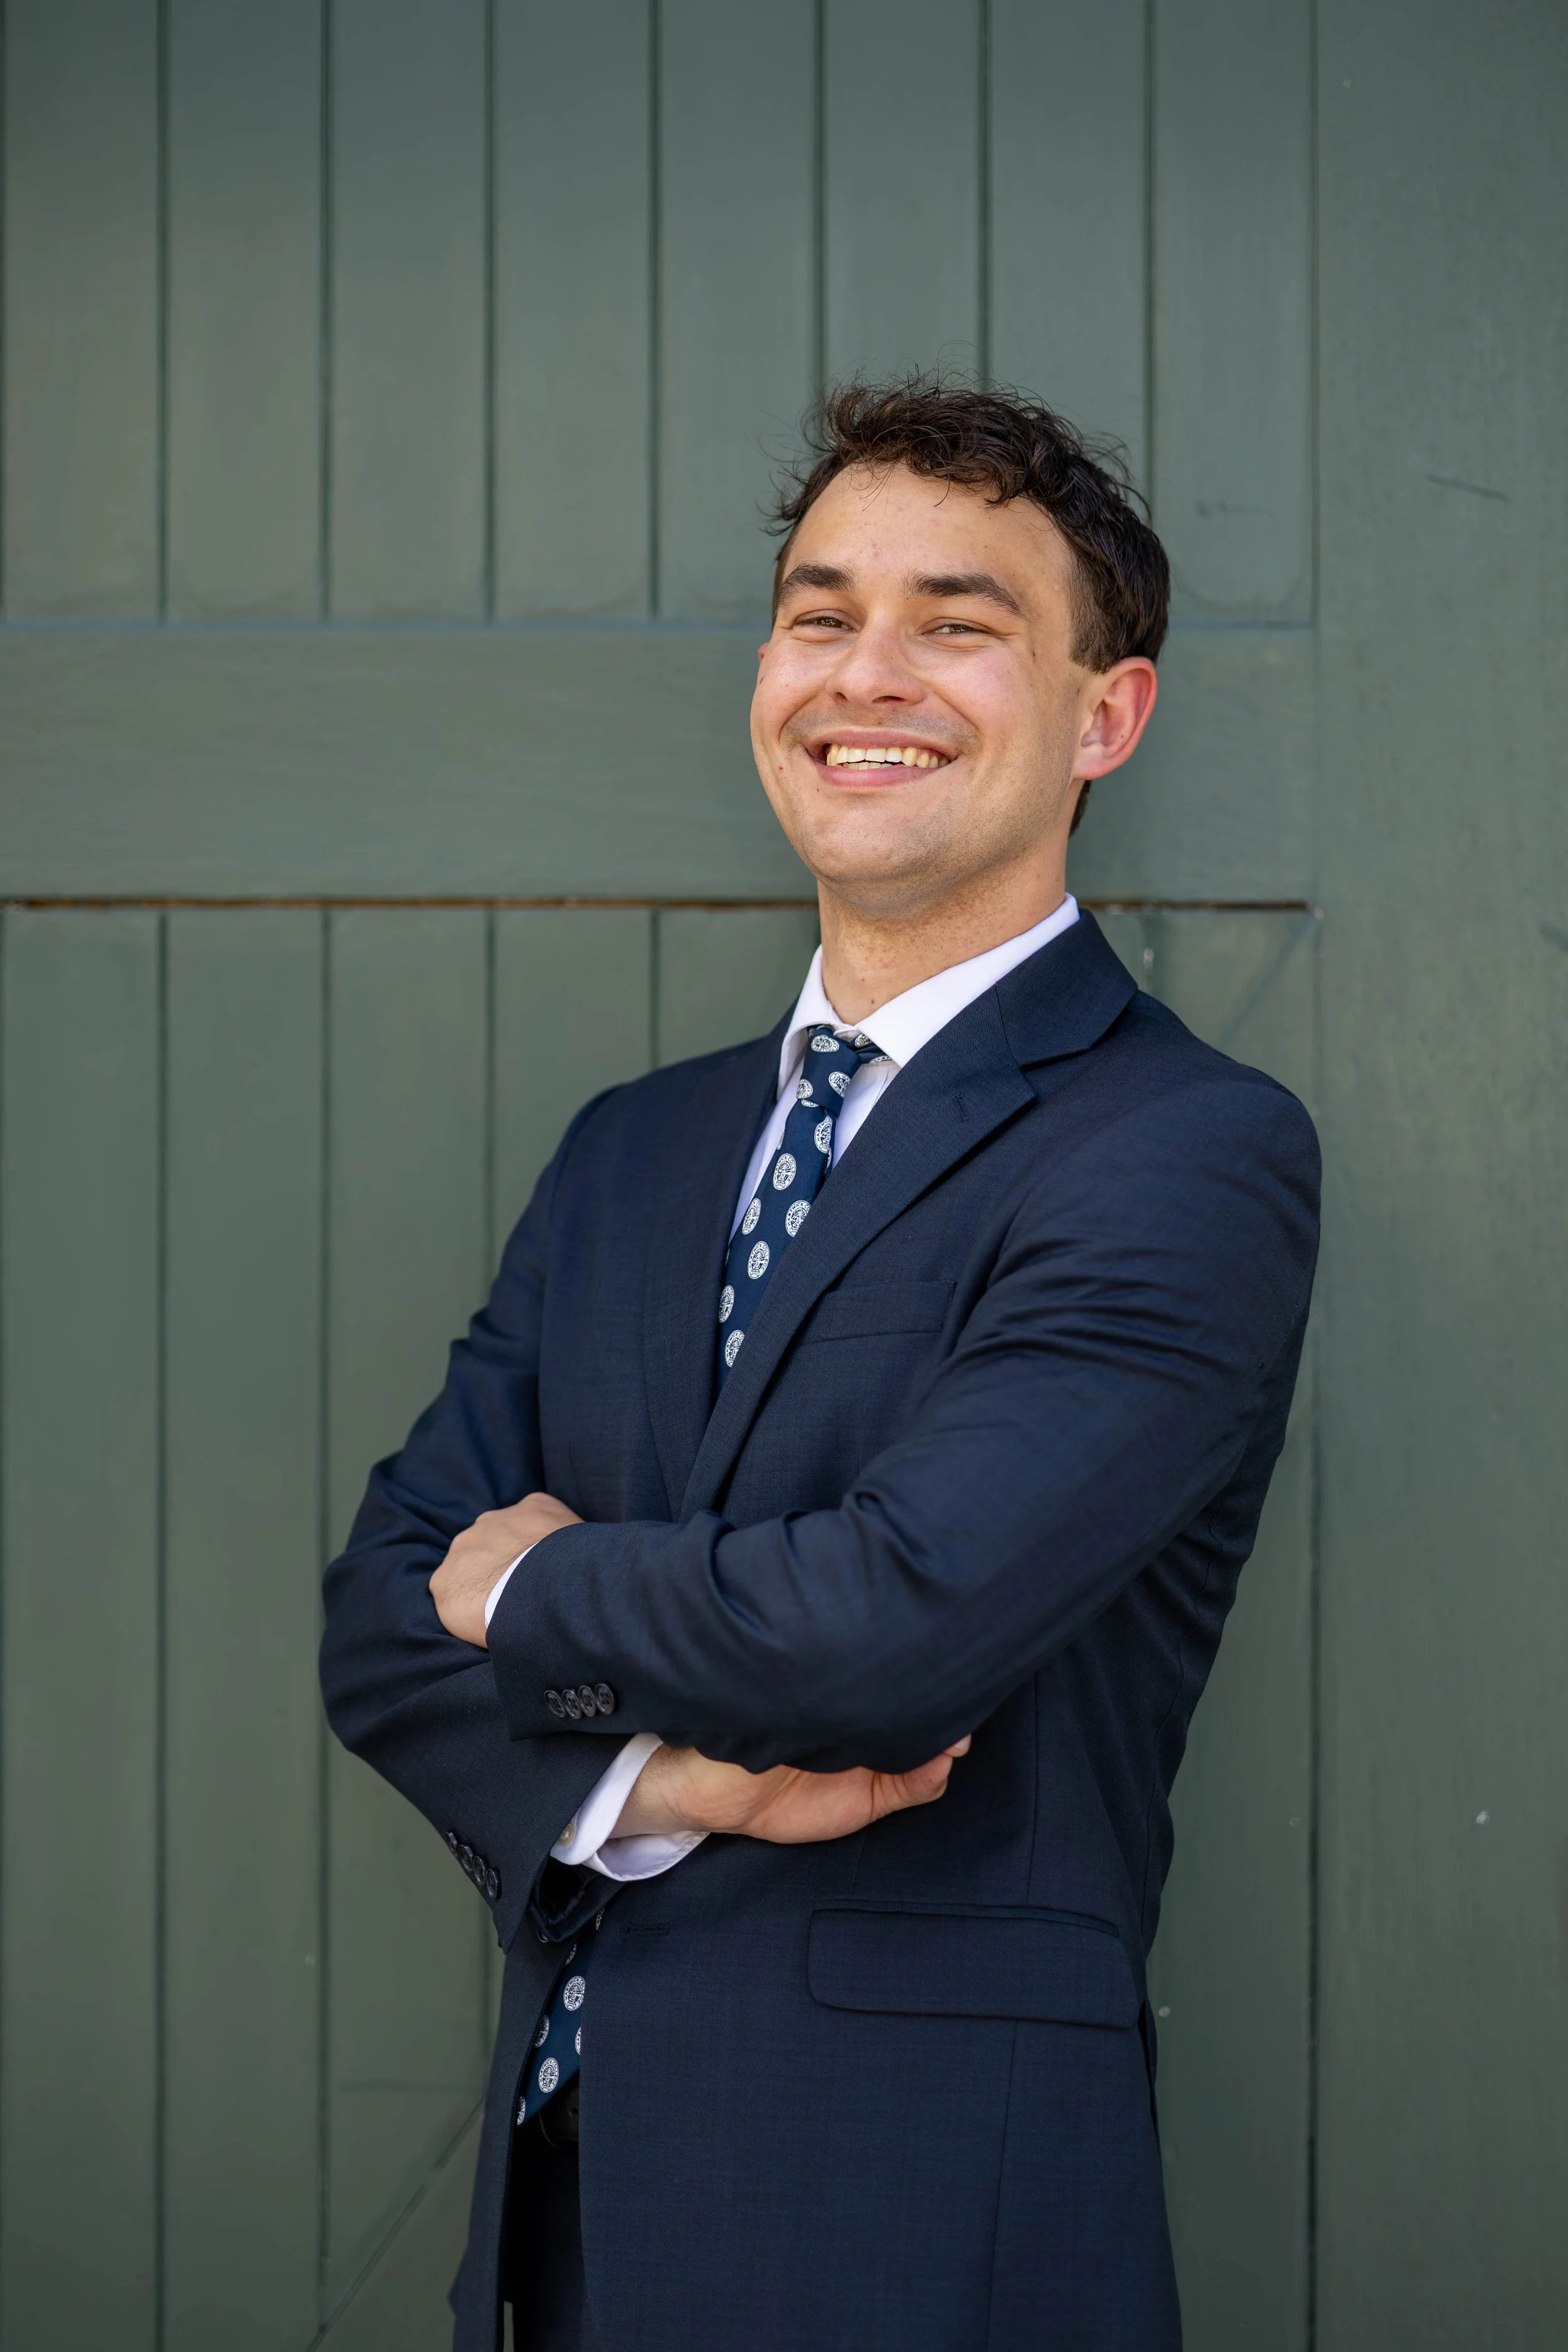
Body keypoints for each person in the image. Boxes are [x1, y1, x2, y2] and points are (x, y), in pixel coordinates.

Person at [319, 378, 1320, 2352]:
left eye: (959, 620)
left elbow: (894, 1626)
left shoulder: (1182, 1150)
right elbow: (370, 1623)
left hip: (920, 2227)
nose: (869, 675)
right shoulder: (635, 1145)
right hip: (567, 2232)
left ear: (1101, 715)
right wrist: (654, 1774)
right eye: (817, 610)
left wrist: (528, 1586)